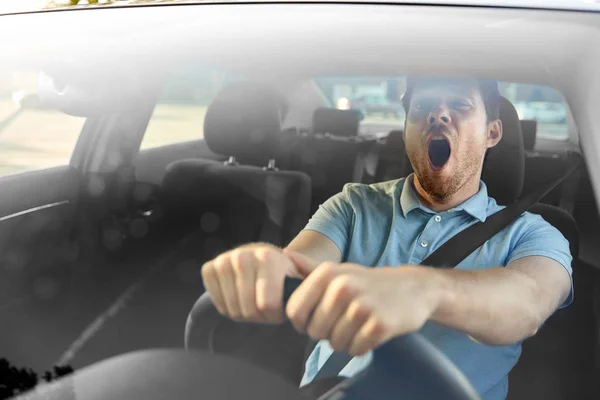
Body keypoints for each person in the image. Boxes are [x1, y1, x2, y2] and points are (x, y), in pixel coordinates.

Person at [200, 77, 573, 399]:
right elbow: (299, 264)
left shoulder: (534, 233)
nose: (438, 115)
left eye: (459, 105)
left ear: (492, 132)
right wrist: (264, 264)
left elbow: (528, 303)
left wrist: (424, 289)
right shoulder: (354, 205)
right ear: (408, 128)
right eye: (423, 106)